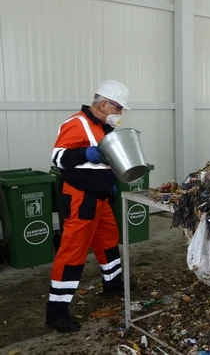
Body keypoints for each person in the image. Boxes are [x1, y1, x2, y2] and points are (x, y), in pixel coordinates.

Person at [46, 80, 132, 333]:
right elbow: (58, 157)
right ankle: (57, 312)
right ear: (103, 103)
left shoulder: (102, 127)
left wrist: (109, 181)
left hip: (101, 196)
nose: (120, 113)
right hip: (81, 197)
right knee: (73, 251)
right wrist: (86, 154)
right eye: (117, 107)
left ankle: (113, 284)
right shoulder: (77, 123)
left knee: (108, 241)